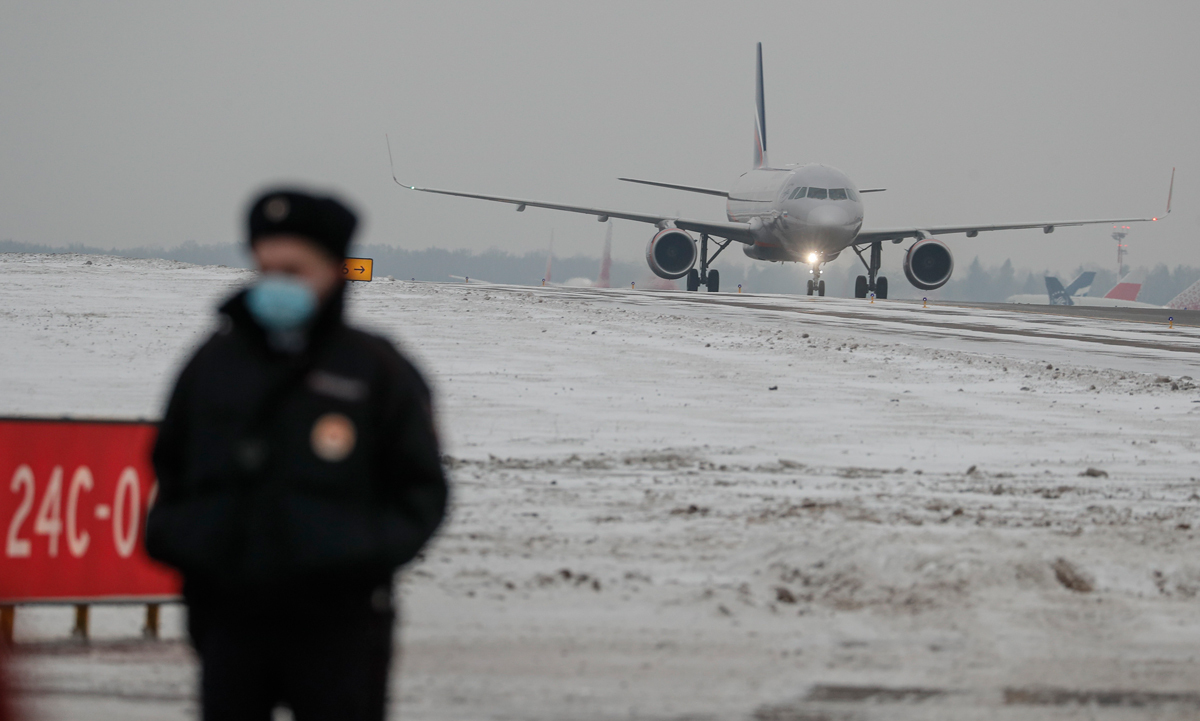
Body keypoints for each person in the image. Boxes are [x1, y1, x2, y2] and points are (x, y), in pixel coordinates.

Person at [146, 187, 447, 721]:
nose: (278, 284)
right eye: (267, 269)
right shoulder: (214, 363)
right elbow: (171, 468)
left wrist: (359, 558)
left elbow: (420, 489)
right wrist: (197, 551)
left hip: (339, 621)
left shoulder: (376, 371)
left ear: (335, 270)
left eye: (295, 269)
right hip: (232, 614)